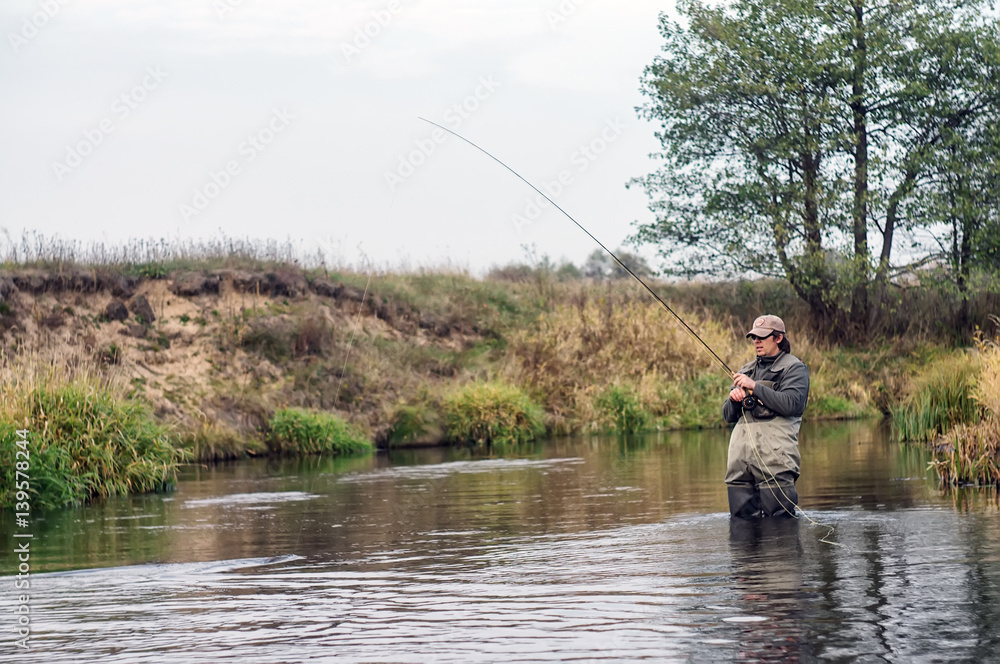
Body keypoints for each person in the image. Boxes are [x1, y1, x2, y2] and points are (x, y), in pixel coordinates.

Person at [722, 314, 809, 518]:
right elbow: (727, 416)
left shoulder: (794, 368)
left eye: (762, 336)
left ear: (778, 338)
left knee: (780, 526)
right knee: (741, 528)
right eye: (753, 337)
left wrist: (754, 387)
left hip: (775, 462)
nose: (756, 342)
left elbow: (792, 404)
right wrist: (733, 400)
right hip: (740, 464)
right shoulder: (746, 371)